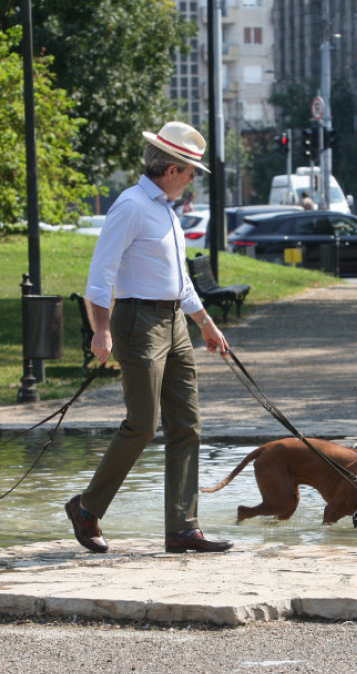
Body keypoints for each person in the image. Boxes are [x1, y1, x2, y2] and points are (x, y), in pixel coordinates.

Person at [65, 121, 233, 555]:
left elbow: (179, 280)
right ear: (173, 169)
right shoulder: (132, 206)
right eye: (191, 172)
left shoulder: (166, 211)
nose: (192, 179)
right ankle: (86, 507)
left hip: (175, 322)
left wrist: (205, 323)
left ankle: (183, 528)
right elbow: (100, 273)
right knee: (143, 423)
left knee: (187, 425)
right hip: (137, 321)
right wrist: (102, 329)